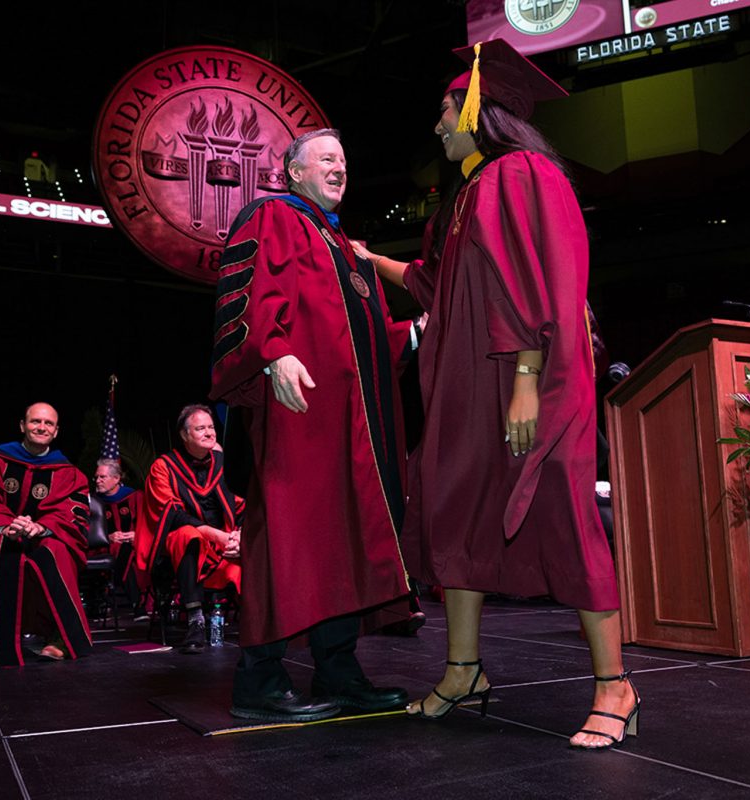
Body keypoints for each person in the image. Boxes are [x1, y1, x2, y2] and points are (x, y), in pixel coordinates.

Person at [355, 40, 636, 749]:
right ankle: (462, 672)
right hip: (473, 386)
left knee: (564, 516)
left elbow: (530, 285)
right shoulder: (472, 191)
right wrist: (368, 259)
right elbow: (437, 285)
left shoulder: (520, 175)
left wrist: (524, 382)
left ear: (480, 111)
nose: (438, 125)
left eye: (445, 111)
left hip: (524, 379)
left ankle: (616, 687)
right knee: (459, 516)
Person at [211, 128, 422, 722]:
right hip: (300, 411)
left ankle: (339, 669)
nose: (339, 168)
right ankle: (258, 680)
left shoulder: (344, 248)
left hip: (354, 424)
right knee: (290, 536)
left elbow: (363, 342)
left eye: (344, 160)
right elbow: (251, 295)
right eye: (326, 158)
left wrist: (415, 334)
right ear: (292, 172)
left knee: (344, 540)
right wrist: (272, 353)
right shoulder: (273, 215)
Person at [0, 402, 92, 667]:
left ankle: (63, 638)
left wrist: (40, 527)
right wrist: (6, 525)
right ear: (23, 426)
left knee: (54, 550)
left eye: (48, 423)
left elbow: (70, 513)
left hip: (44, 534)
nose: (41, 427)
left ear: (56, 431)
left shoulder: (68, 473)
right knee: (1, 547)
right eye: (36, 421)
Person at [134, 404, 242, 654]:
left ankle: (265, 621)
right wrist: (216, 535)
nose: (209, 433)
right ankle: (195, 619)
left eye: (211, 427)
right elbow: (170, 513)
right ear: (184, 435)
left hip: (222, 542)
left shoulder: (225, 463)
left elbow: (243, 504)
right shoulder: (164, 466)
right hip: (180, 546)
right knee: (187, 535)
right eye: (200, 428)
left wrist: (239, 534)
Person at [92, 458, 145, 616]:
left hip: (136, 544)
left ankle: (111, 596)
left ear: (116, 479)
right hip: (105, 546)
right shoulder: (93, 502)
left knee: (129, 550)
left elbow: (148, 524)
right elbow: (88, 531)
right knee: (122, 549)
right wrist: (107, 537)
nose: (98, 481)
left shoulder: (135, 497)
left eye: (102, 477)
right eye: (96, 477)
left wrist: (137, 534)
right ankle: (137, 603)